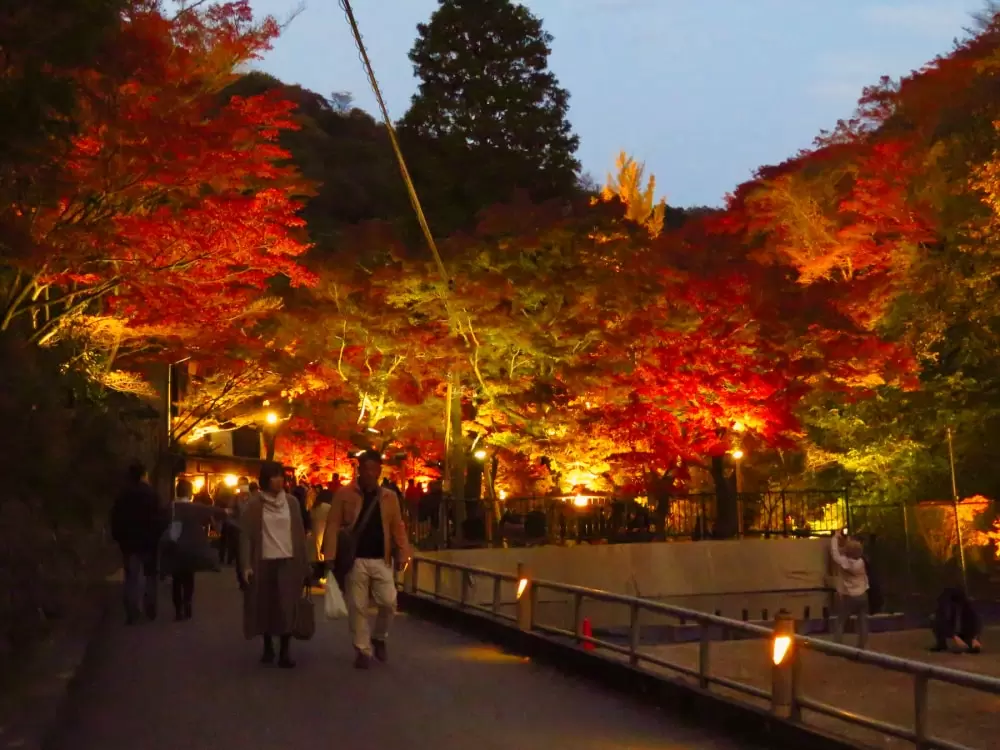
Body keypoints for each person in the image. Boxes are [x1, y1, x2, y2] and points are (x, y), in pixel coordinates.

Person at [322, 450, 411, 669]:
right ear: (359, 470)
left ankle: (379, 636)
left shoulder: (389, 497)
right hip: (356, 558)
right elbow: (333, 525)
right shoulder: (344, 494)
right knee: (357, 606)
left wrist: (402, 552)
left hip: (382, 558)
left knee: (389, 601)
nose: (371, 473)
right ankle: (362, 649)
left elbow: (397, 526)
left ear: (380, 471)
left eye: (375, 469)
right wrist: (330, 556)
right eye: (367, 469)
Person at [238, 462, 309, 668]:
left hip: (288, 560)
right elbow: (246, 536)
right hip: (263, 560)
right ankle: (268, 646)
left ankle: (285, 651)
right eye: (274, 476)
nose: (279, 481)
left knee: (287, 606)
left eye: (281, 477)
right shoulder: (254, 505)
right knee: (265, 605)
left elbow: (299, 534)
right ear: (265, 480)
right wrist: (246, 564)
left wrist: (305, 564)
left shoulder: (292, 503)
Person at [164, 478, 228, 621]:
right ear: (190, 492)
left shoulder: (170, 508)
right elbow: (214, 513)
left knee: (176, 580)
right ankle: (188, 602)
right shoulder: (195, 508)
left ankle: (178, 610)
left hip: (175, 547)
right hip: (191, 547)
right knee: (188, 578)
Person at [110, 460, 164, 624]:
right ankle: (150, 607)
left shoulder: (122, 495)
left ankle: (132, 612)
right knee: (150, 575)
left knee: (131, 577)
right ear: (143, 475)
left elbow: (115, 519)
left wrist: (119, 537)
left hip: (129, 542)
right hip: (149, 541)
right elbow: (159, 518)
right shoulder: (152, 494)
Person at [830, 530, 870, 649]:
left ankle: (837, 645)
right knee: (862, 620)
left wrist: (835, 538)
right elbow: (854, 550)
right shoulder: (861, 562)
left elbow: (834, 553)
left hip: (849, 596)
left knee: (840, 620)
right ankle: (862, 645)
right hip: (862, 595)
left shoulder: (844, 562)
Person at [931, 587, 982, 653]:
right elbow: (942, 623)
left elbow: (975, 623)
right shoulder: (947, 610)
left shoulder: (969, 610)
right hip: (951, 633)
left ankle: (969, 644)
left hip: (964, 633)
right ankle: (942, 645)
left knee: (971, 645)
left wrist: (975, 637)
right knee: (936, 622)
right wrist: (954, 636)